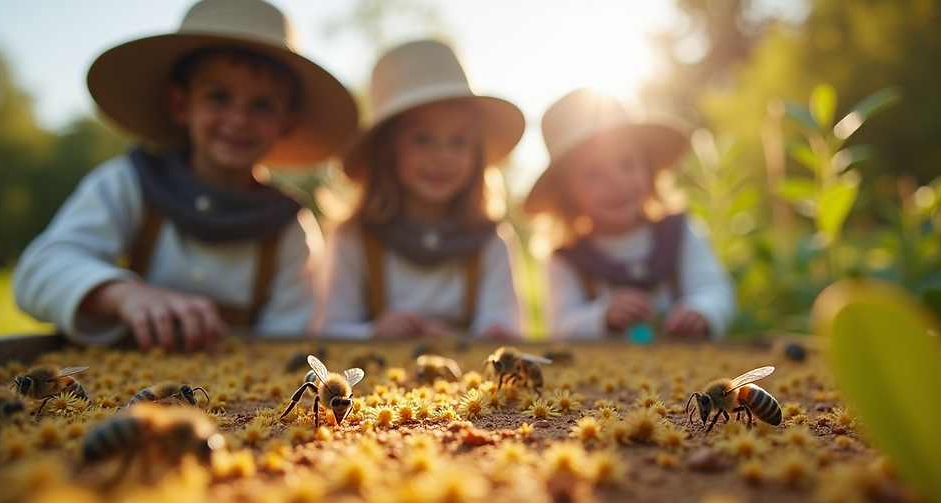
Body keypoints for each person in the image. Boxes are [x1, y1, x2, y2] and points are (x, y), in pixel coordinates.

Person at [12, 0, 358, 352]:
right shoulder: (127, 183)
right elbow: (38, 272)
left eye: (263, 105)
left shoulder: (290, 228)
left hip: (235, 401)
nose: (238, 119)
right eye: (218, 96)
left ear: (289, 122)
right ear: (180, 104)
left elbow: (287, 341)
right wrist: (125, 296)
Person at [314, 40, 525, 340]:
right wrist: (373, 332)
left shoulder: (492, 241)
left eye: (458, 142)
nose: (442, 157)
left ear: (477, 154)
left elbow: (502, 324)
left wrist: (469, 338)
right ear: (386, 150)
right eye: (422, 139)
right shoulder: (353, 238)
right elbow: (328, 328)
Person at [524, 88, 735, 340]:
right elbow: (561, 325)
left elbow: (717, 291)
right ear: (567, 193)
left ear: (648, 168)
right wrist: (601, 315)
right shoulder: (565, 258)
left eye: (627, 165)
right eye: (594, 174)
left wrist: (702, 310)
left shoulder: (679, 231)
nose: (616, 182)